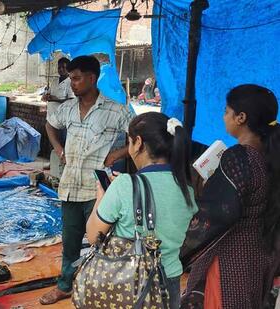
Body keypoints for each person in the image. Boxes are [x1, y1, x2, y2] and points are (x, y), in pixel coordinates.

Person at [39, 55, 134, 305]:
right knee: (70, 243)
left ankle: (100, 288)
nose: (72, 83)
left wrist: (117, 153)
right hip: (70, 187)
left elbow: (138, 136)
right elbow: (49, 125)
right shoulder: (67, 108)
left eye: (77, 78)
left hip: (97, 190)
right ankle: (64, 286)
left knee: (102, 242)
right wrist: (59, 150)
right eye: (71, 78)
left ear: (92, 78)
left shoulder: (116, 110)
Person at [85, 112, 198, 308]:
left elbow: (94, 236)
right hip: (169, 280)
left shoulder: (124, 185)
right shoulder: (187, 190)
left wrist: (101, 198)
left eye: (129, 142)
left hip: (129, 278)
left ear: (138, 143)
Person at [182, 84, 279, 308]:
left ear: (241, 117)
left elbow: (218, 213)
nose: (224, 116)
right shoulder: (271, 157)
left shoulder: (239, 157)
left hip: (232, 257)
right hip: (262, 254)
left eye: (226, 111)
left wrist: (183, 251)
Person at [42, 57, 75, 179]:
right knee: (53, 142)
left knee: (61, 143)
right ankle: (53, 163)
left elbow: (72, 100)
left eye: (64, 67)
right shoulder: (55, 81)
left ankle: (63, 167)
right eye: (59, 67)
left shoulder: (70, 82)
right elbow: (49, 94)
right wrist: (46, 96)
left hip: (62, 120)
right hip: (51, 117)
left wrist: (55, 99)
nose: (61, 69)